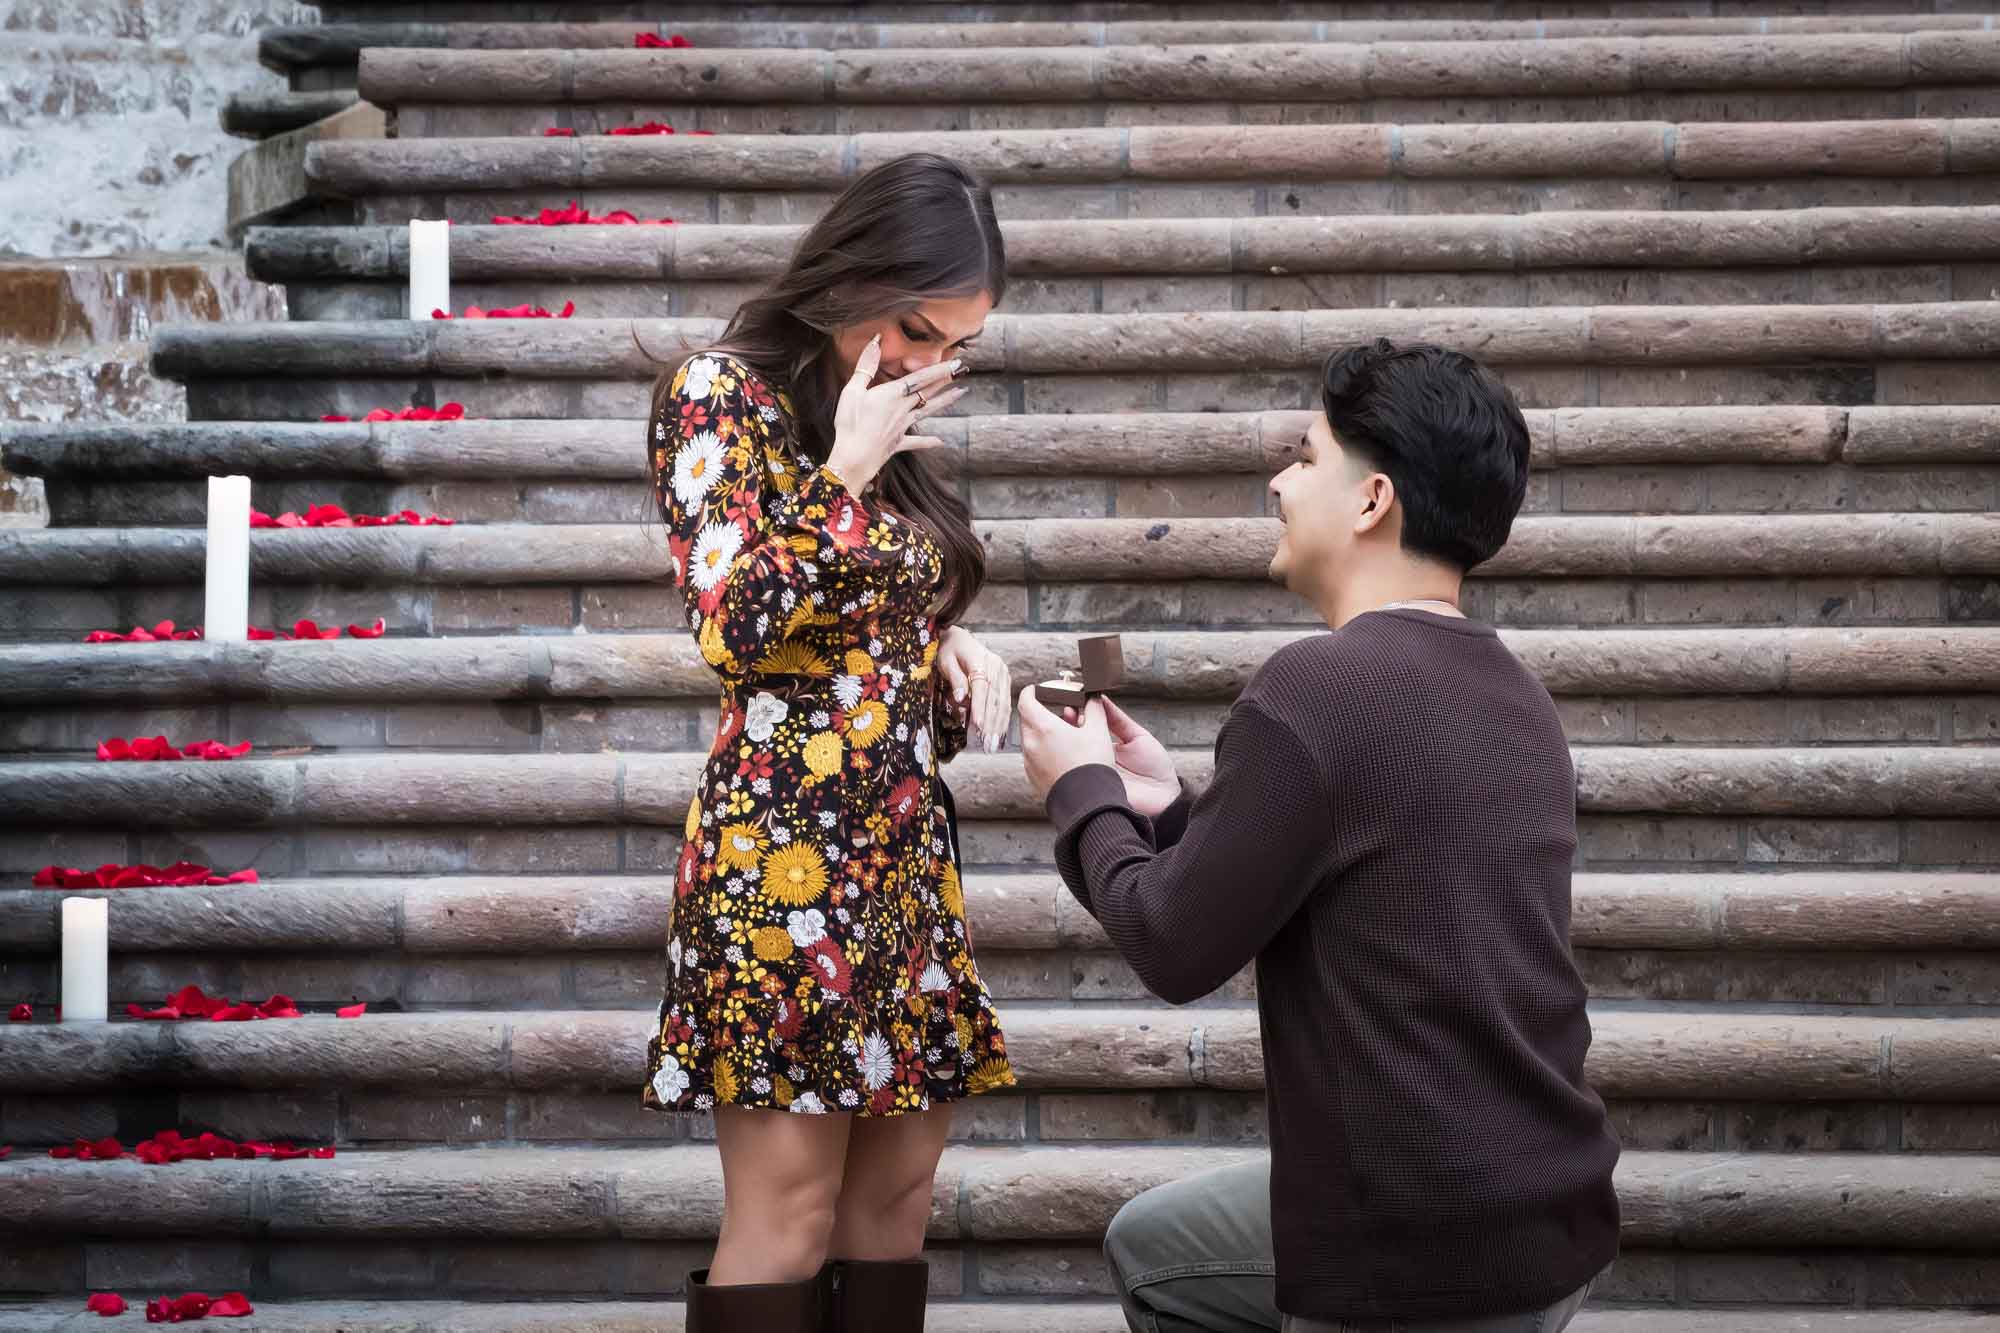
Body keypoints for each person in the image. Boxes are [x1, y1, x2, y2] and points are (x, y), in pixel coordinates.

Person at [1017, 340, 1621, 1333]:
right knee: (1154, 1238)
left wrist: (1078, 789)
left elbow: (1171, 945)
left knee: (1148, 1255)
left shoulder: (1315, 688)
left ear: (1370, 499)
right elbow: (1307, 886)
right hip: (1545, 1211)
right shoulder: (1516, 697)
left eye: (1303, 457)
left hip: (1411, 1240)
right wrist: (1162, 813)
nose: (1276, 482)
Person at [643, 153, 1019, 1333]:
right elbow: (735, 625)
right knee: (789, 1212)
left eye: (954, 345)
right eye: (916, 327)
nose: (926, 363)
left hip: (898, 862)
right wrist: (848, 467)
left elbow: (863, 611)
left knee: (894, 1203)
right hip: (778, 870)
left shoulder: (881, 399)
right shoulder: (719, 395)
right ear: (855, 272)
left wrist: (947, 646)